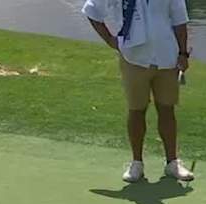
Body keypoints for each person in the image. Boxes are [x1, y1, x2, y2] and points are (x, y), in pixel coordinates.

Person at [83, 0, 195, 184]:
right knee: (137, 110)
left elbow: (179, 19)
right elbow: (92, 10)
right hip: (133, 56)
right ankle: (137, 163)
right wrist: (111, 40)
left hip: (167, 55)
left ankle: (172, 162)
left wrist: (183, 53)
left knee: (167, 109)